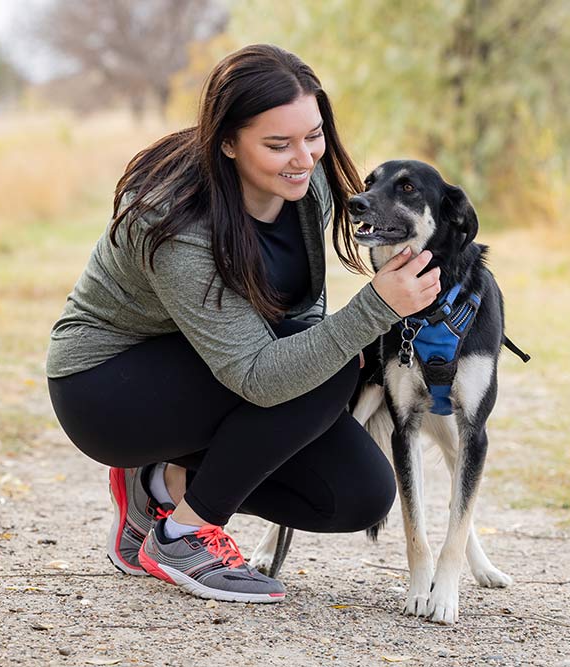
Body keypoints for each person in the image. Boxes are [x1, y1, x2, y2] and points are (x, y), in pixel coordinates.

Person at [46, 44, 441, 604]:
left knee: (358, 495)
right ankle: (182, 535)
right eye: (278, 145)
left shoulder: (307, 188)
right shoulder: (174, 217)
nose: (303, 158)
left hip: (215, 369)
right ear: (227, 142)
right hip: (109, 389)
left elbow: (301, 317)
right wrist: (376, 307)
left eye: (313, 135)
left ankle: (158, 486)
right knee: (327, 367)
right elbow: (260, 375)